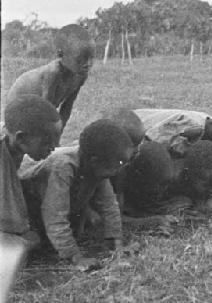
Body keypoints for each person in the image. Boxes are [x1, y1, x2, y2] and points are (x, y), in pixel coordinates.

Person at [18, 119, 133, 269]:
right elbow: (55, 216)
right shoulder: (63, 166)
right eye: (119, 163)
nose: (121, 169)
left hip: (47, 212)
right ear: (94, 161)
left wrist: (117, 244)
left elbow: (109, 205)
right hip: (27, 214)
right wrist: (76, 258)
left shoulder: (96, 168)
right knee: (33, 244)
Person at [1, 95, 62, 248]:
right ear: (21, 138)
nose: (54, 147)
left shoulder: (14, 141)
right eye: (47, 142)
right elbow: (10, 220)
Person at [6, 24, 95, 129]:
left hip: (38, 109)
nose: (87, 64)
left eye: (91, 58)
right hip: (18, 111)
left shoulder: (80, 75)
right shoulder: (53, 73)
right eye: (80, 58)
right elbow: (46, 109)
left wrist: (59, 134)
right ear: (61, 55)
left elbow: (67, 106)